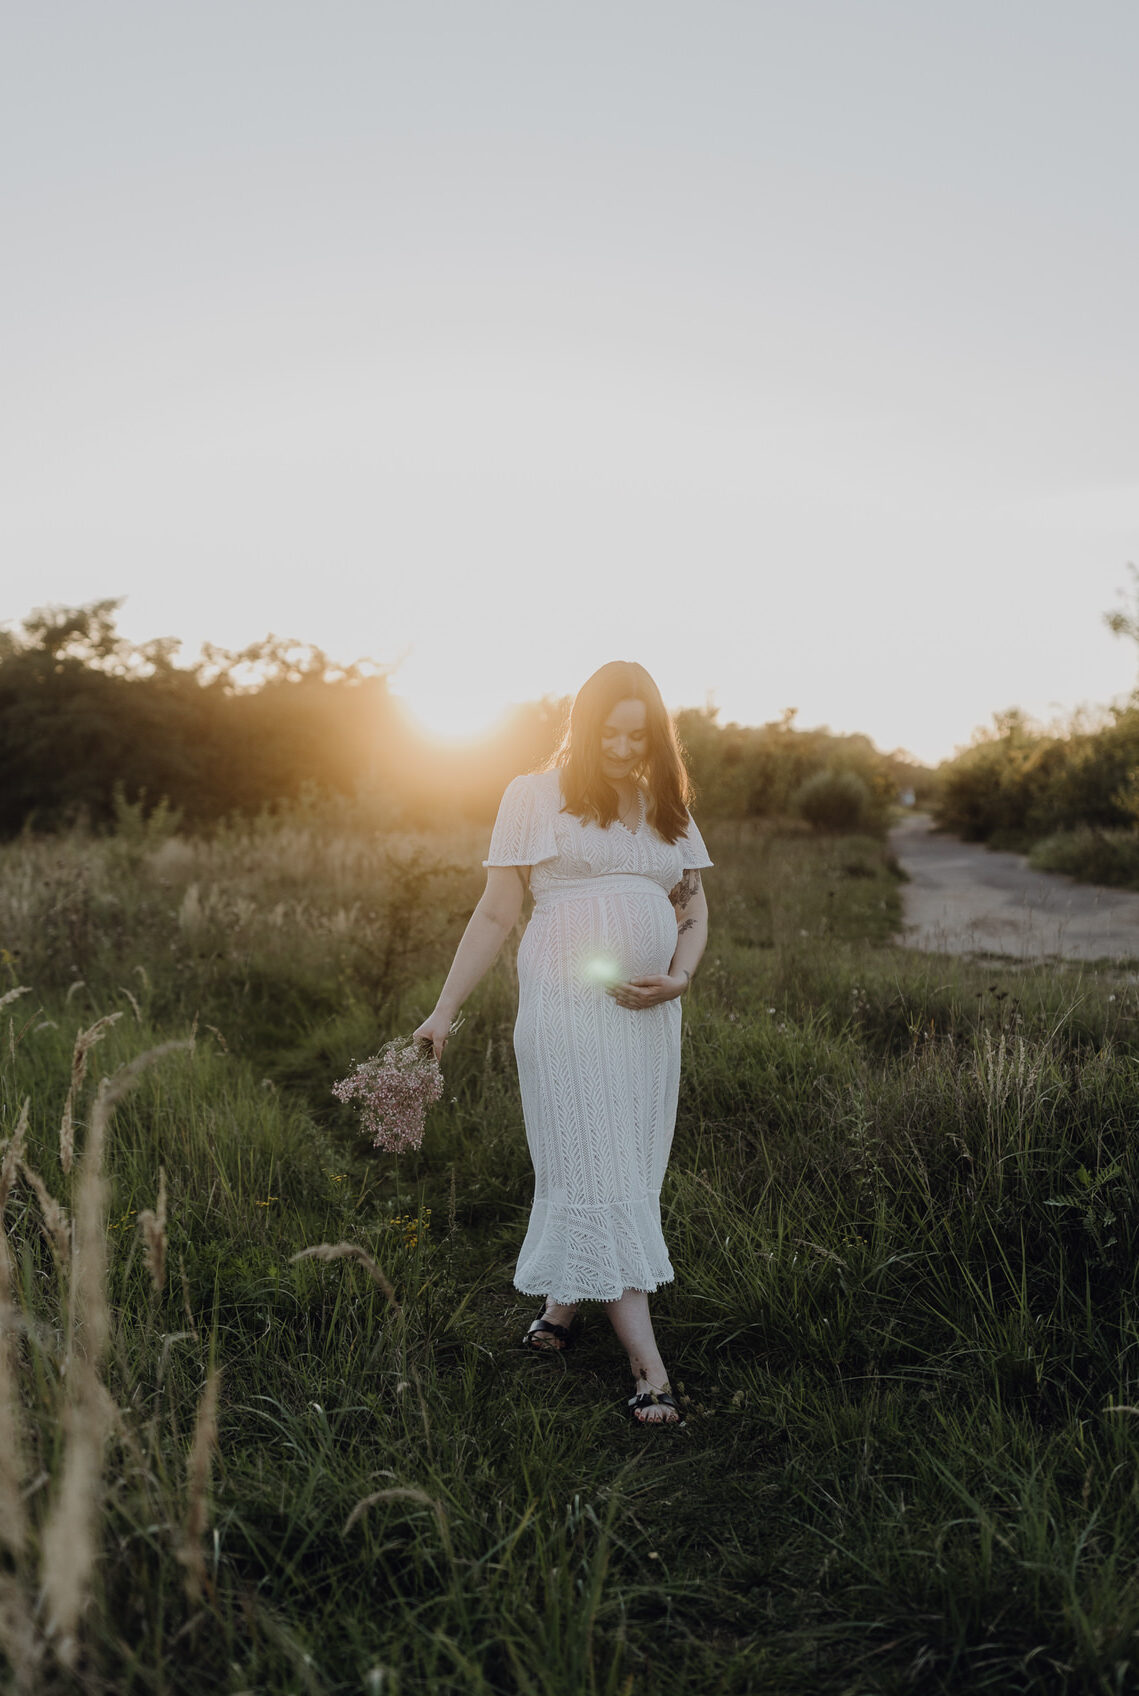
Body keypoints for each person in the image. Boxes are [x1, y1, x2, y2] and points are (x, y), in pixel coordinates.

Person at [413, 661, 711, 1425]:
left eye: (636, 735)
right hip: (566, 1007)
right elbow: (493, 914)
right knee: (594, 1159)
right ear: (582, 727)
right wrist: (443, 1012)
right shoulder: (534, 795)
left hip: (647, 1018)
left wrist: (679, 977)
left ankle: (564, 1307)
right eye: (607, 732)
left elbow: (694, 905)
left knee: (624, 1161)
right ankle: (649, 1371)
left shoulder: (663, 803)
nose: (620, 747)